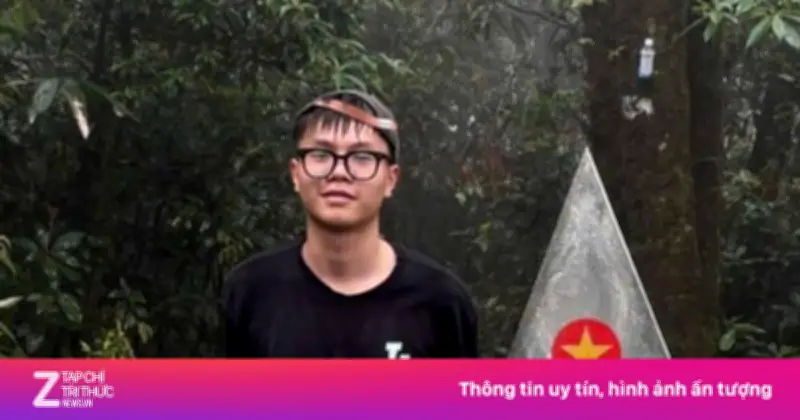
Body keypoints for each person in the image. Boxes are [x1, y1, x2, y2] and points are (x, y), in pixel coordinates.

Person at [221, 89, 479, 358]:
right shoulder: (250, 292)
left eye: (362, 157)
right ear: (295, 174)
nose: (339, 172)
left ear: (391, 179)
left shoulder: (441, 302)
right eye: (321, 154)